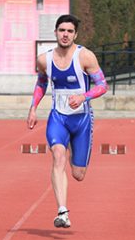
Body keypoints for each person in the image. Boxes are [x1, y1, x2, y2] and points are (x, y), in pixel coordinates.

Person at [27, 14, 108, 228]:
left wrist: (84, 96)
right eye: (62, 30)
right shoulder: (44, 59)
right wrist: (33, 108)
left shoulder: (85, 57)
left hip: (81, 120)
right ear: (55, 32)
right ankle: (62, 211)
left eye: (70, 31)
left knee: (78, 174)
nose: (65, 34)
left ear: (76, 34)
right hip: (58, 117)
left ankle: (75, 147)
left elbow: (102, 85)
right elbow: (41, 83)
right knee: (57, 155)